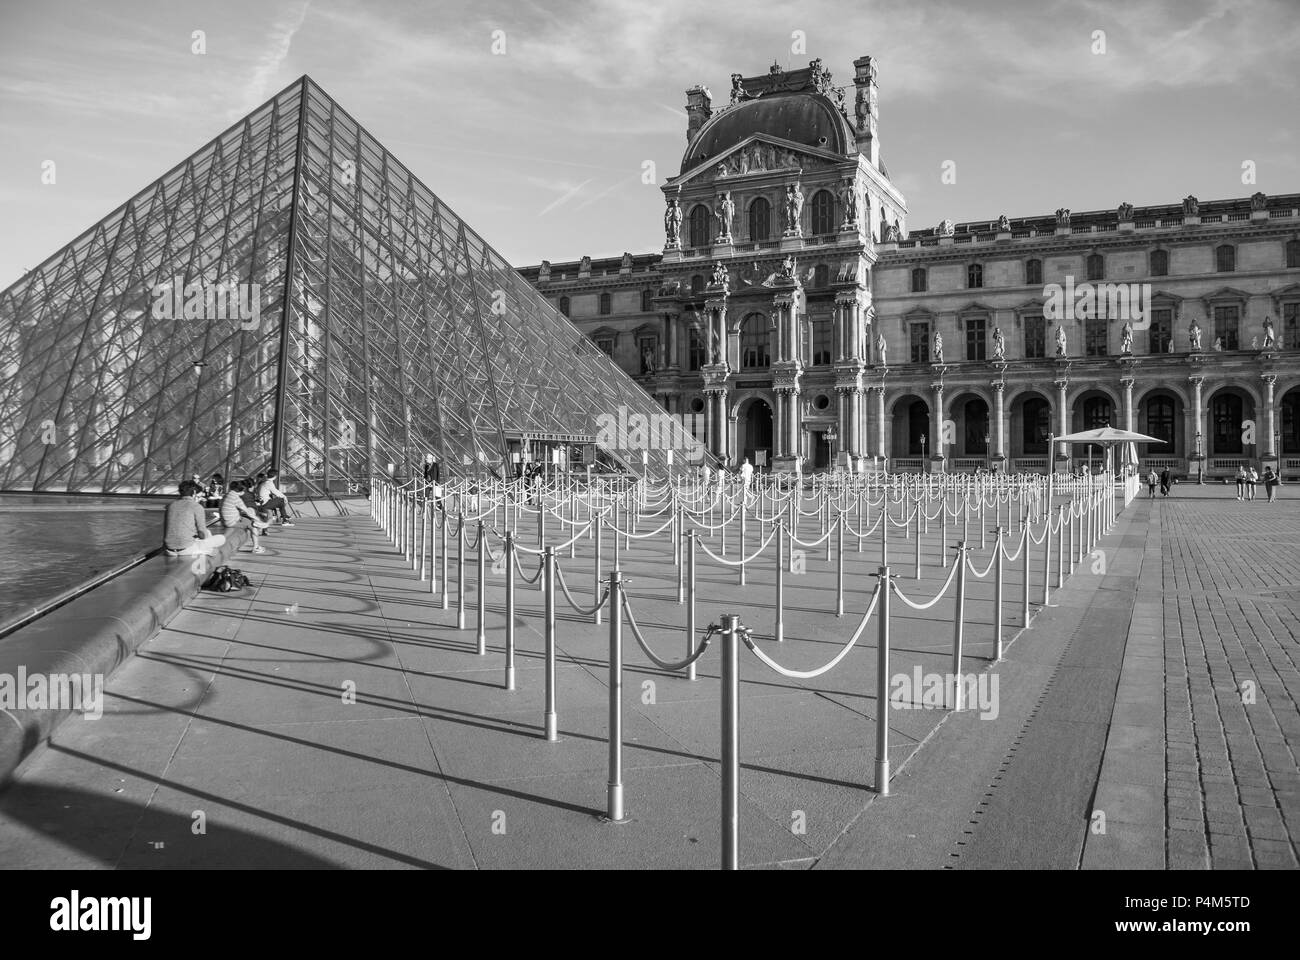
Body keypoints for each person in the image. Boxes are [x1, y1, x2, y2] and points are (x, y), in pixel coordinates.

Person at [163, 480, 227, 557]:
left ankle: (206, 550)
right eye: (200, 496)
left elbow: (167, 530)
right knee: (221, 538)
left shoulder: (171, 506)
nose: (200, 499)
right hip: (186, 549)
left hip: (169, 550)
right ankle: (206, 550)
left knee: (207, 532)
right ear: (194, 493)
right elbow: (202, 535)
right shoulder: (196, 507)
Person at [220, 481, 269, 553]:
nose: (244, 492)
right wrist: (258, 519)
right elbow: (247, 511)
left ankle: (258, 527)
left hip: (225, 520)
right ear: (239, 491)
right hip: (232, 521)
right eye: (243, 491)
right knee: (253, 526)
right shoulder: (235, 498)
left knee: (251, 521)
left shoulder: (227, 495)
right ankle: (256, 547)